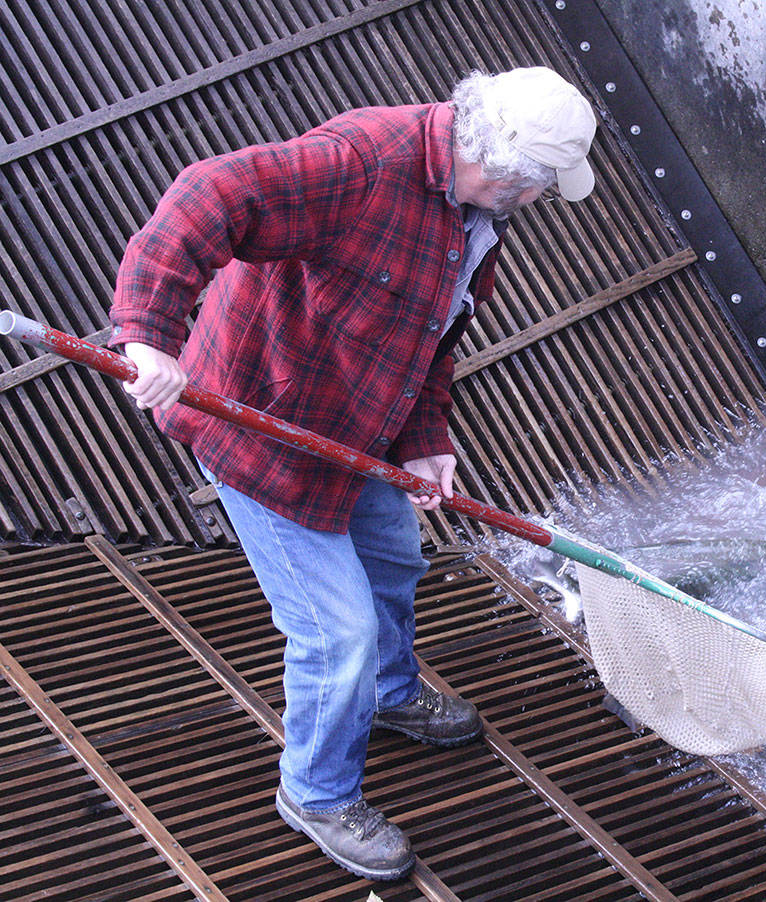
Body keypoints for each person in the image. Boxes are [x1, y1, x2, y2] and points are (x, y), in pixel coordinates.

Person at [108, 66, 597, 881]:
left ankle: (390, 693)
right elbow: (209, 193)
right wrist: (148, 336)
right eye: (544, 186)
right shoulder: (364, 161)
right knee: (336, 632)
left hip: (360, 424)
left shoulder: (481, 212)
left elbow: (432, 336)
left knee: (398, 561)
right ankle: (318, 793)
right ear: (509, 167)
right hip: (263, 430)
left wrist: (425, 440)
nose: (543, 201)